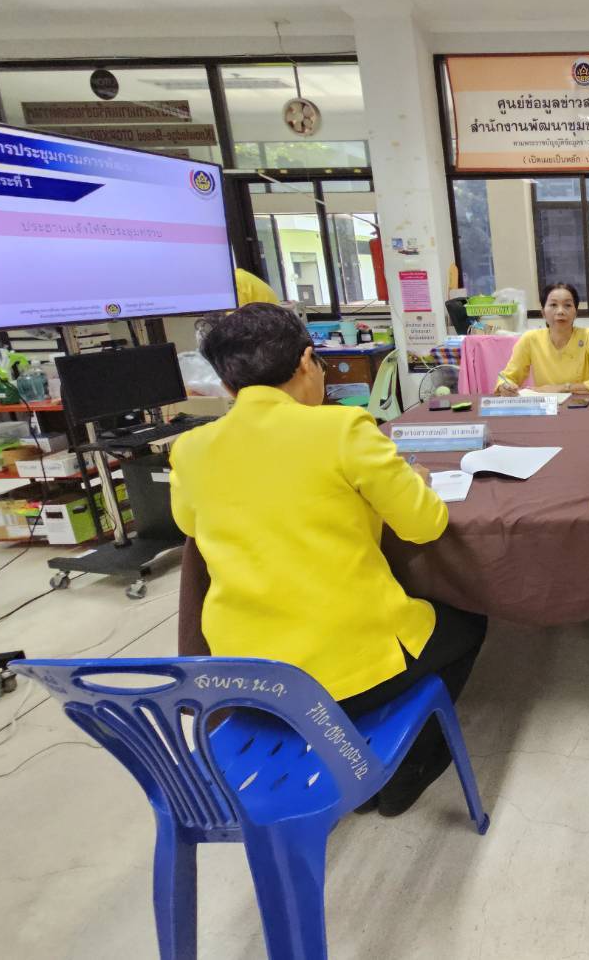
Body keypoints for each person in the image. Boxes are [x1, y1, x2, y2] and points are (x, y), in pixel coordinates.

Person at [170, 303, 486, 816]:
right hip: (344, 669)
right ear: (308, 361)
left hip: (250, 678)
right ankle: (405, 772)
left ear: (229, 384)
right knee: (468, 621)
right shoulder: (343, 429)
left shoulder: (189, 449)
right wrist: (417, 483)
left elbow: (190, 525)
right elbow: (424, 524)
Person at [496, 281, 589, 395]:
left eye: (567, 305)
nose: (560, 311)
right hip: (546, 408)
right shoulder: (530, 339)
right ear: (543, 313)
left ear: (575, 312)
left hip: (582, 405)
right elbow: (507, 377)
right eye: (553, 305)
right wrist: (505, 387)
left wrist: (562, 388)